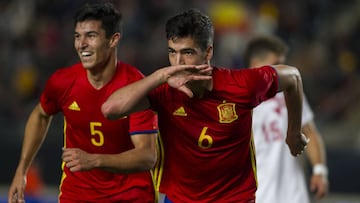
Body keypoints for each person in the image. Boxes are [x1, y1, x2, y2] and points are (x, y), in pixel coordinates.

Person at [101, 8, 309, 203]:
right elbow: (110, 110)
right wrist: (160, 75)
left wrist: (293, 133)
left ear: (208, 52)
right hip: (179, 199)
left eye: (188, 52)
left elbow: (293, 77)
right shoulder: (164, 90)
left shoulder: (243, 85)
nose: (178, 62)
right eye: (172, 52)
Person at [8, 2, 158, 203]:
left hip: (130, 196)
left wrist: (94, 160)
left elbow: (147, 156)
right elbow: (40, 115)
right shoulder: (63, 81)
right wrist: (22, 170)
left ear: (113, 40)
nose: (82, 44)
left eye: (91, 36)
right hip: (78, 195)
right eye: (78, 36)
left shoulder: (136, 87)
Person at [243, 35, 329, 203]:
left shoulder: (292, 93)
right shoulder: (239, 101)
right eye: (275, 64)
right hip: (259, 196)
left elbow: (309, 131)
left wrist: (319, 171)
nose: (281, 69)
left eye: (282, 64)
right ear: (255, 66)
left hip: (295, 195)